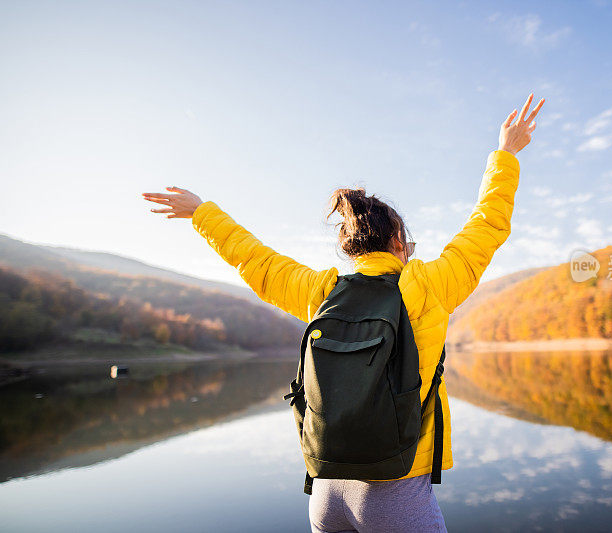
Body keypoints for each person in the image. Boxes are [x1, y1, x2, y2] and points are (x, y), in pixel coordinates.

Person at [142, 94, 544, 533]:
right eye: (409, 244)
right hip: (396, 491)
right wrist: (505, 154)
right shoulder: (427, 286)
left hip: (326, 488)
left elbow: (255, 260)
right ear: (397, 243)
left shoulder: (323, 292)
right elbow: (487, 224)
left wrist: (201, 213)